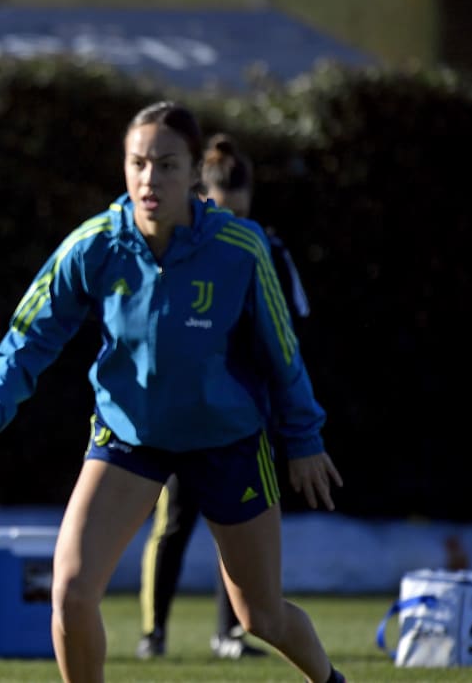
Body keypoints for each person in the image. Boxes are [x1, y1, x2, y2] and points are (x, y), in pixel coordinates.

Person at [0, 101, 346, 683]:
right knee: (72, 595)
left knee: (261, 616)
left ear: (194, 173)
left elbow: (284, 355)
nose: (150, 179)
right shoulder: (95, 245)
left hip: (228, 441)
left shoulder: (241, 248)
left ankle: (331, 680)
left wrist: (305, 440)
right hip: (129, 438)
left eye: (167, 165)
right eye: (138, 163)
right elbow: (30, 334)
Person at [136, 132, 314, 661]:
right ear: (200, 198)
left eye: (242, 212)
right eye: (222, 211)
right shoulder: (173, 247)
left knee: (234, 529)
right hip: (181, 417)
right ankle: (154, 632)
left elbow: (290, 336)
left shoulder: (265, 249)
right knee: (172, 523)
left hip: (242, 422)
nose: (232, 225)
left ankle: (232, 630)